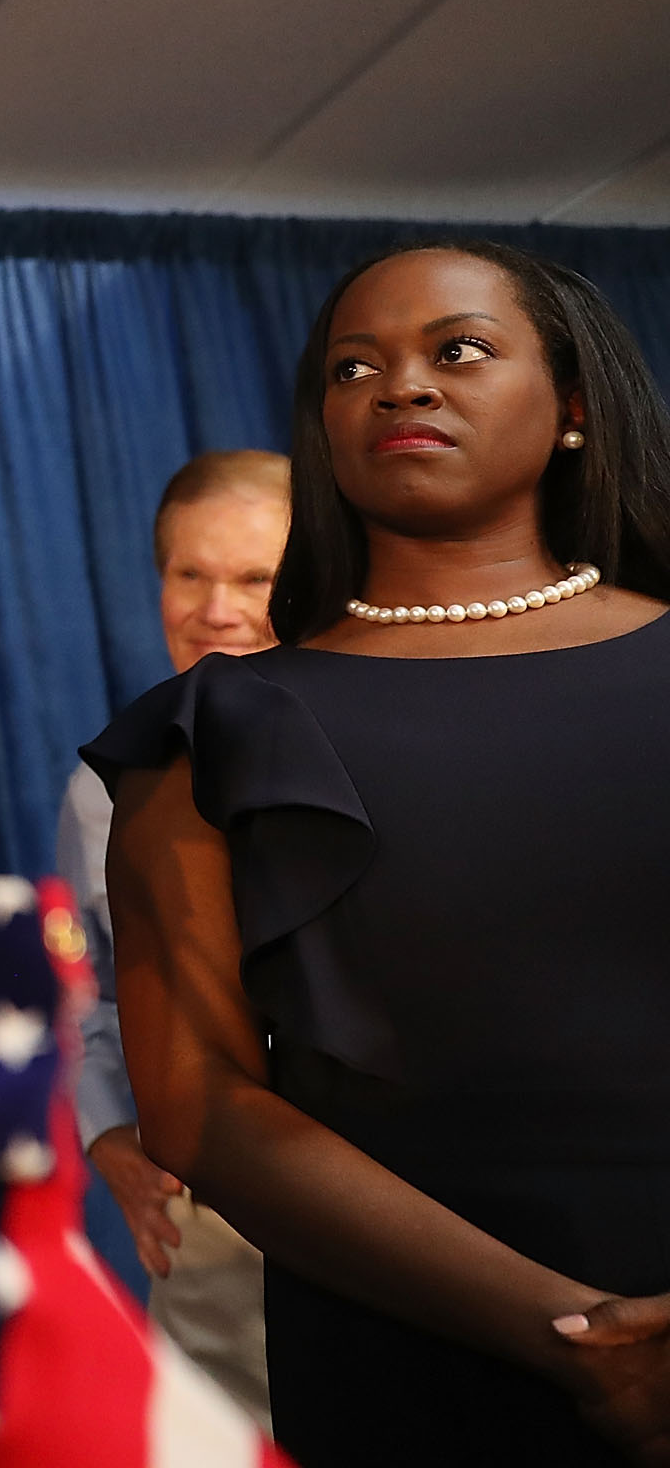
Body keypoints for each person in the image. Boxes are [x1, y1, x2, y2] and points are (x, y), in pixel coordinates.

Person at [88, 241, 670, 1464]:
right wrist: (575, 1338)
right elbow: (197, 1110)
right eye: (355, 367)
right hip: (403, 1363)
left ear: (571, 405)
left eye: (457, 350)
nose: (400, 385)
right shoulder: (206, 736)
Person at [57, 448, 286, 1424]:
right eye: (190, 573)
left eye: (253, 577)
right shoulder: (106, 787)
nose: (216, 607)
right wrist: (107, 1130)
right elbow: (90, 987)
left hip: (402, 1205)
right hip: (209, 1233)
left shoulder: (397, 750)